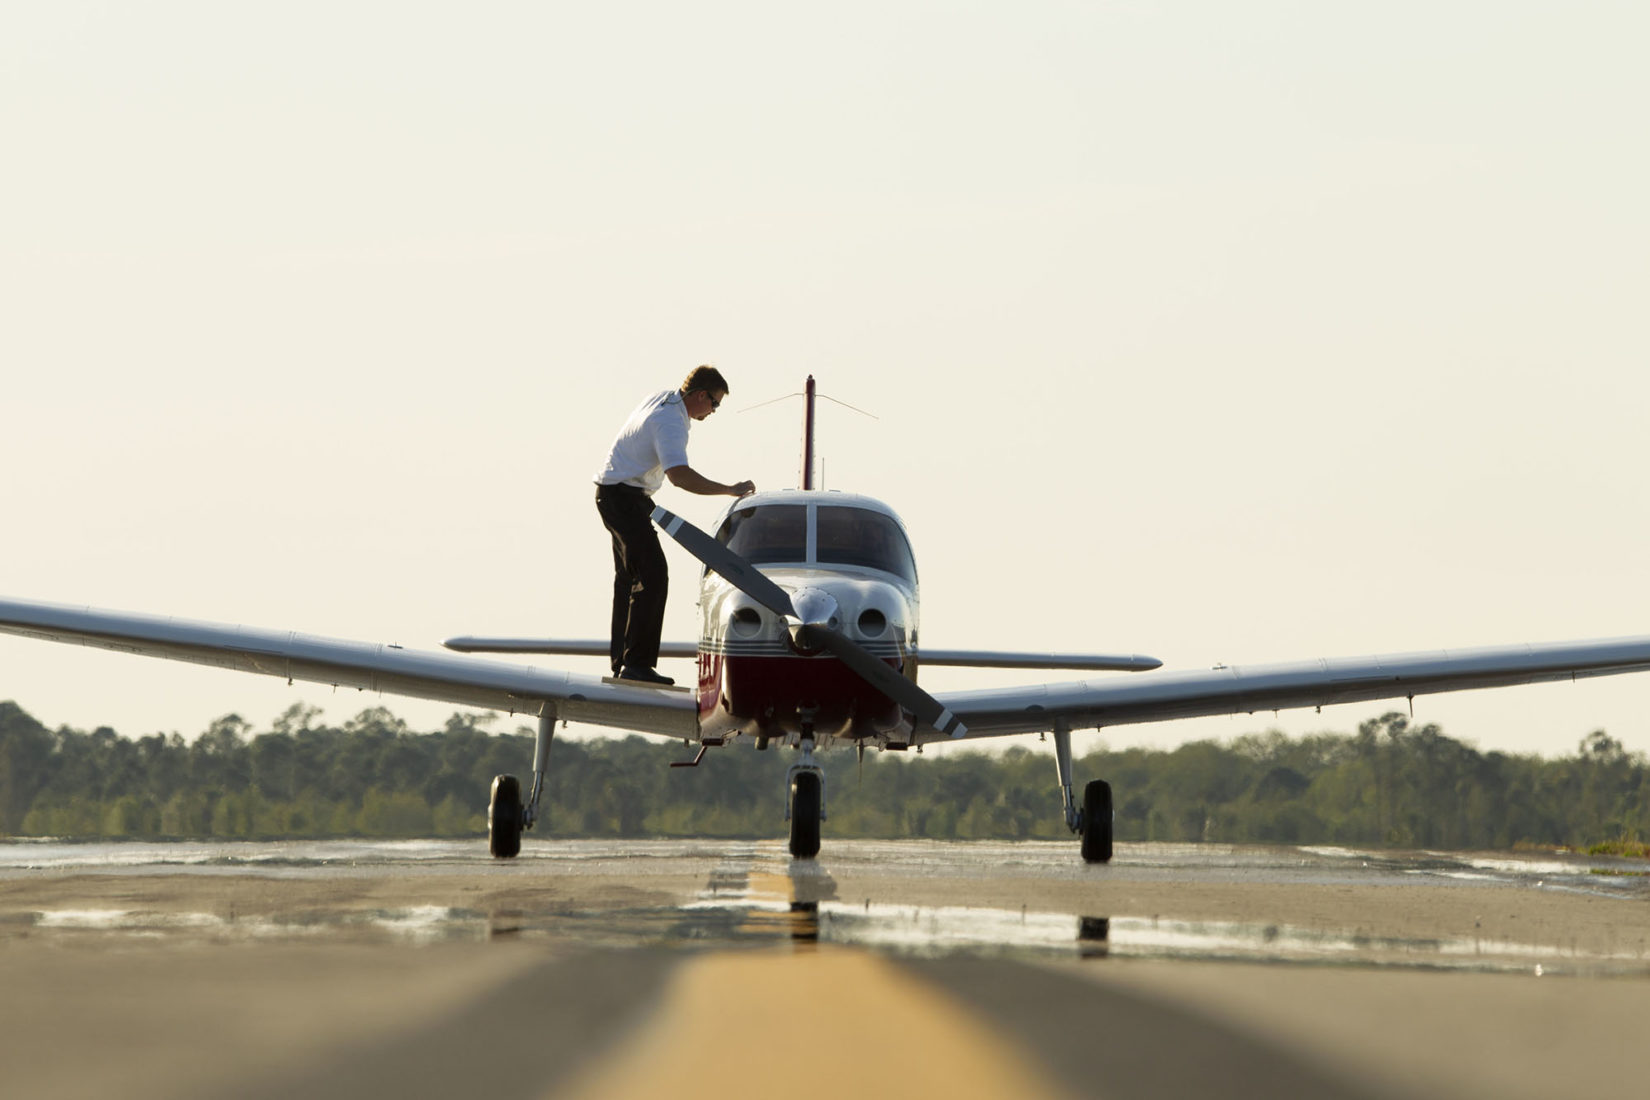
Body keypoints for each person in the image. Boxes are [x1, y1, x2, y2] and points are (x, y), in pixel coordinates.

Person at [593, 366, 755, 685]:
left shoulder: (664, 399)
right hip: (623, 499)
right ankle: (636, 664)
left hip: (619, 495)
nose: (714, 411)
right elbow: (679, 476)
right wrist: (729, 489)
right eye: (715, 403)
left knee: (630, 578)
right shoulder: (670, 422)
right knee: (652, 574)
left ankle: (624, 662)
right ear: (700, 395)